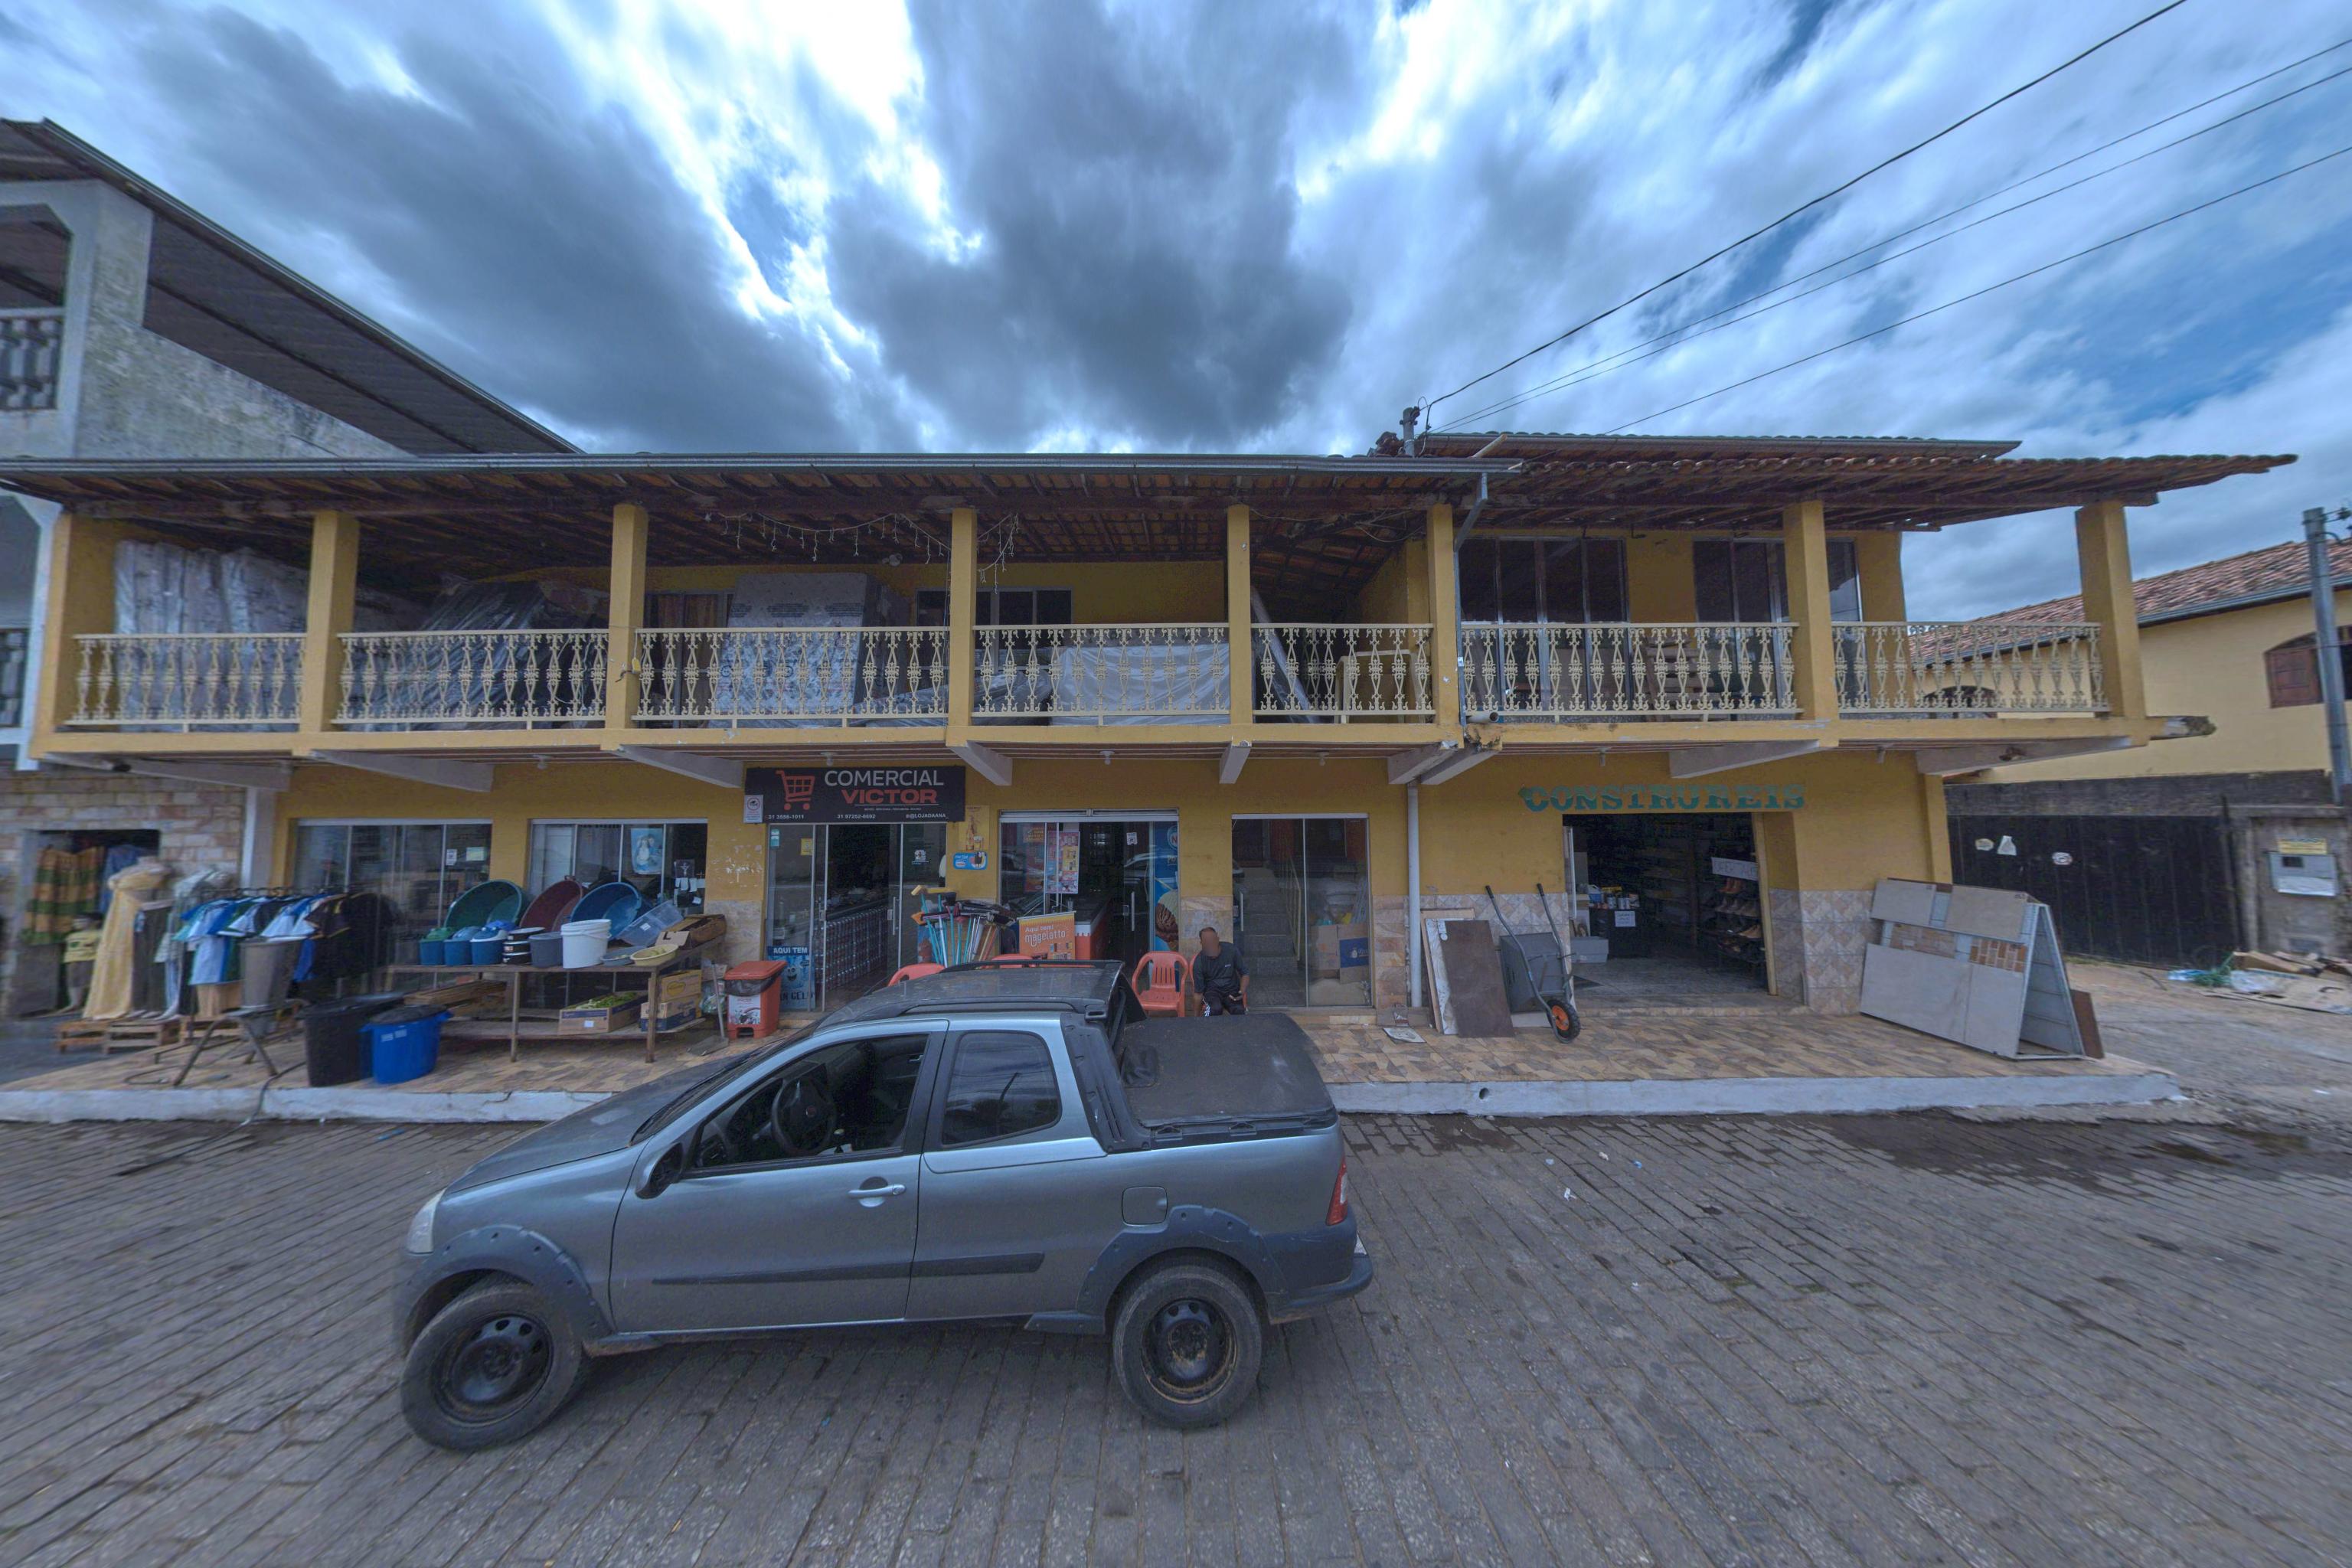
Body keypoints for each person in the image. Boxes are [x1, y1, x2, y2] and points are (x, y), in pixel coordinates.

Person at [1192, 926, 1248, 1014]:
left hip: (1232, 990)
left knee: (1239, 1010)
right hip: (1212, 992)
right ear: (1201, 943)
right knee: (1215, 1009)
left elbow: (1245, 973)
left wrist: (1242, 991)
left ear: (1217, 939)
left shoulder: (1231, 950)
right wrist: (1196, 1019)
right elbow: (1198, 993)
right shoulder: (1199, 962)